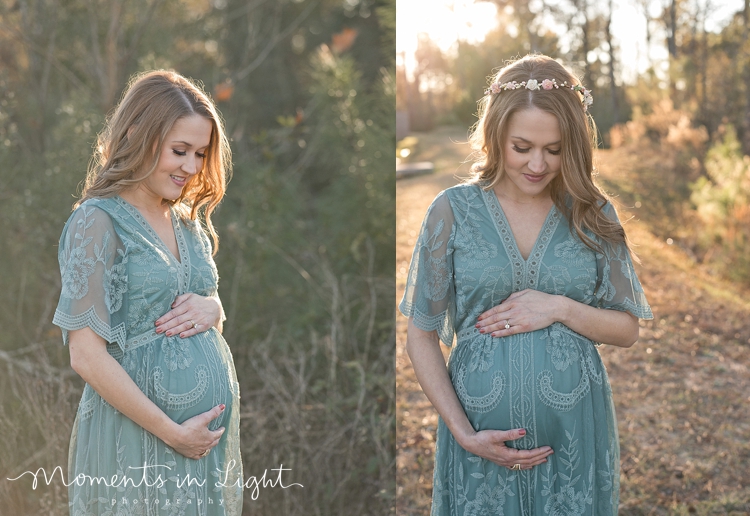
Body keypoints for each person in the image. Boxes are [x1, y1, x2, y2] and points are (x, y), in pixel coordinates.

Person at [400, 54, 653, 515]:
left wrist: (560, 307)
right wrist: (464, 434)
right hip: (478, 442)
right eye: (522, 147)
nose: (538, 163)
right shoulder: (451, 211)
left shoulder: (594, 215)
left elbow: (627, 329)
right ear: (496, 136)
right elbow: (420, 335)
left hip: (572, 440)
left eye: (554, 150)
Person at [53, 70, 243, 515]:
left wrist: (214, 308)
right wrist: (172, 432)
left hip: (201, 447)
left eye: (200, 153)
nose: (192, 167)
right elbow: (85, 354)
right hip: (138, 441)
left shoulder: (186, 220)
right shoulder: (97, 221)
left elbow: (196, 313)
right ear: (138, 134)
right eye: (179, 151)